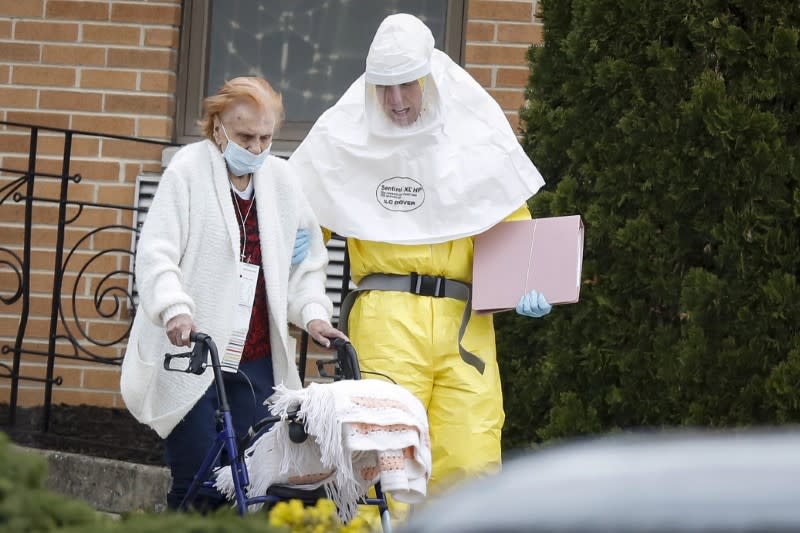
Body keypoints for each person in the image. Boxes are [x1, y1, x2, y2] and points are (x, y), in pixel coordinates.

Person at [289, 13, 553, 497]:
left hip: (463, 324)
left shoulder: (471, 138)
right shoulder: (348, 138)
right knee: (384, 472)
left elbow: (510, 219)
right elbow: (302, 214)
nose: (395, 101)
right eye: (384, 87)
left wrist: (531, 280)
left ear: (430, 77)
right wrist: (293, 240)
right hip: (385, 320)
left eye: (407, 85)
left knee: (471, 466)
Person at [120, 76, 346, 510]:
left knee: (258, 477)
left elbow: (306, 267)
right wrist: (175, 310)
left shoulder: (281, 180)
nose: (258, 148)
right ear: (217, 126)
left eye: (266, 137)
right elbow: (156, 255)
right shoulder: (187, 171)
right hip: (193, 353)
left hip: (255, 358)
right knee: (200, 480)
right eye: (246, 136)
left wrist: (315, 314)